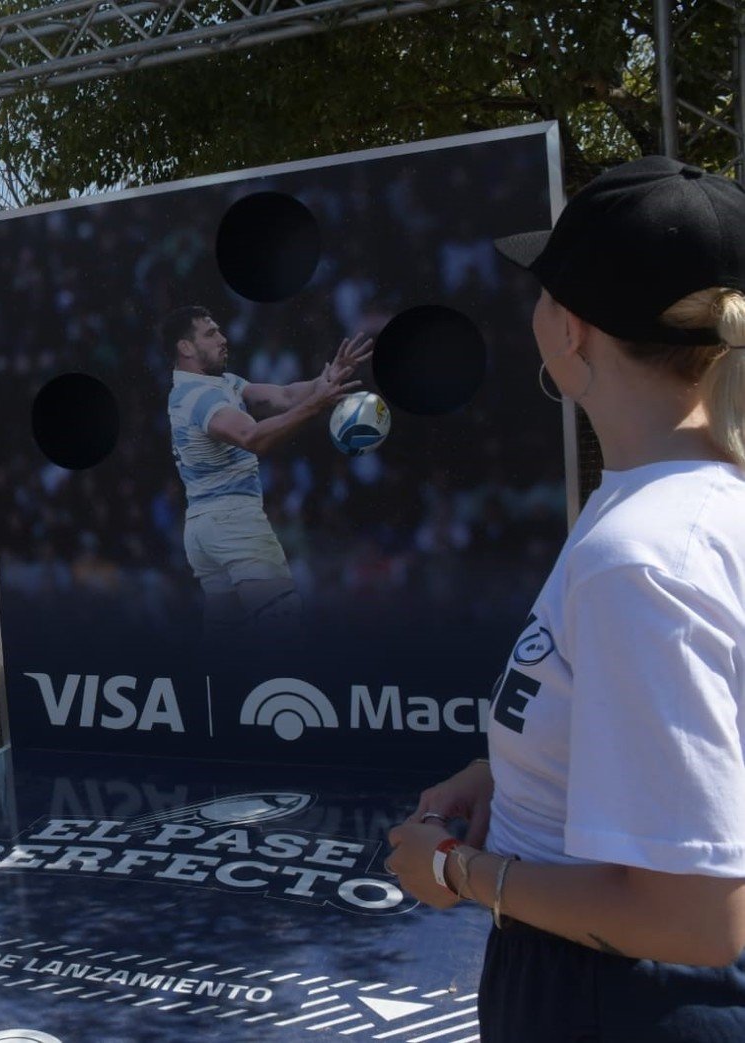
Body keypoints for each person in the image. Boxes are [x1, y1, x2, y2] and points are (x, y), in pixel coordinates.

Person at [386, 156, 745, 1041]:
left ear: (570, 330)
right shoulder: (667, 509)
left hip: (619, 997)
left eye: (543, 290)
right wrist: (502, 778)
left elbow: (693, 919)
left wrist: (459, 870)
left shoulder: (647, 556)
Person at [163, 305, 370, 637]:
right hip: (234, 523)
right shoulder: (198, 396)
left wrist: (325, 380)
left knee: (225, 640)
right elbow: (252, 437)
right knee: (282, 624)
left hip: (204, 526)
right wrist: (317, 404)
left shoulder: (221, 384)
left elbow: (285, 396)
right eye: (211, 333)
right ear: (185, 347)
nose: (223, 338)